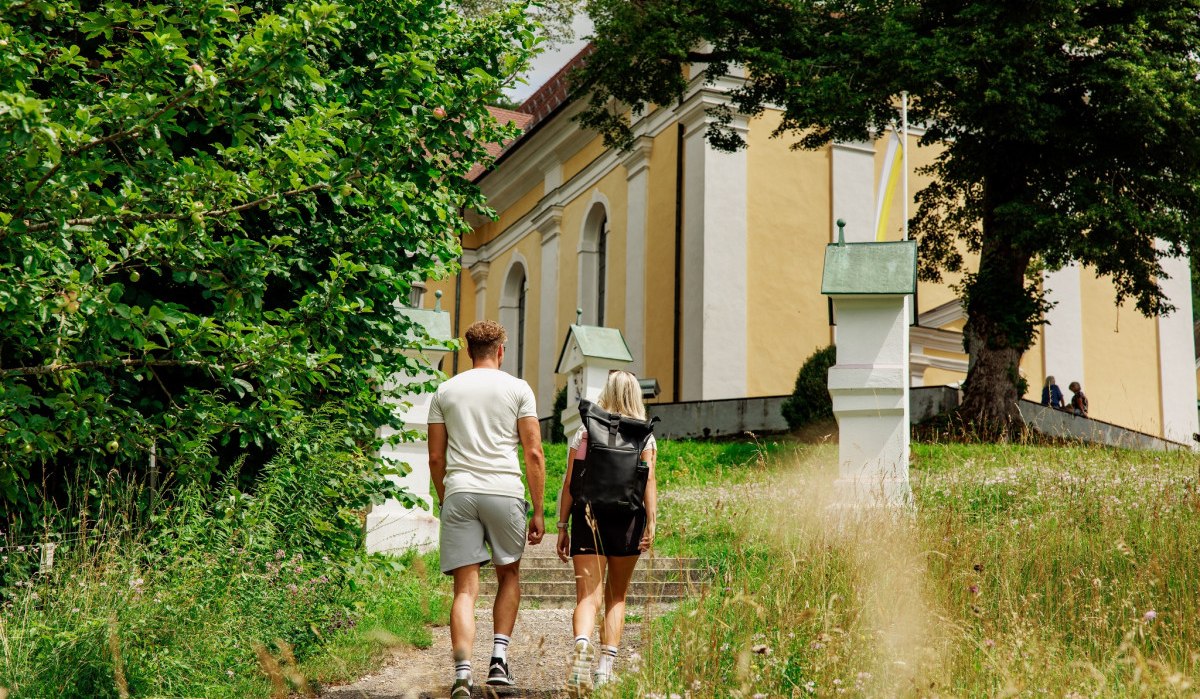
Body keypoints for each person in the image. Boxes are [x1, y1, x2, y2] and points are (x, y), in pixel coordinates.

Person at [428, 320, 546, 698]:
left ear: (468, 351)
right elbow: (533, 453)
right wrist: (539, 509)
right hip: (504, 491)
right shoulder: (518, 389)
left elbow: (434, 457)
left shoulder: (445, 390)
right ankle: (498, 661)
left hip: (460, 490)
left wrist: (446, 498)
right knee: (509, 574)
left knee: (464, 588)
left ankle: (462, 674)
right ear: (500, 350)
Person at [555, 370, 657, 696]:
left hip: (588, 517)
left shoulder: (585, 431)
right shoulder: (645, 436)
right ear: (634, 395)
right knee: (616, 596)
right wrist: (652, 522)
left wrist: (561, 525)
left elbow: (570, 482)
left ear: (607, 391)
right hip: (628, 521)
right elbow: (649, 483)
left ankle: (582, 649)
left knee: (587, 596)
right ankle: (604, 669)